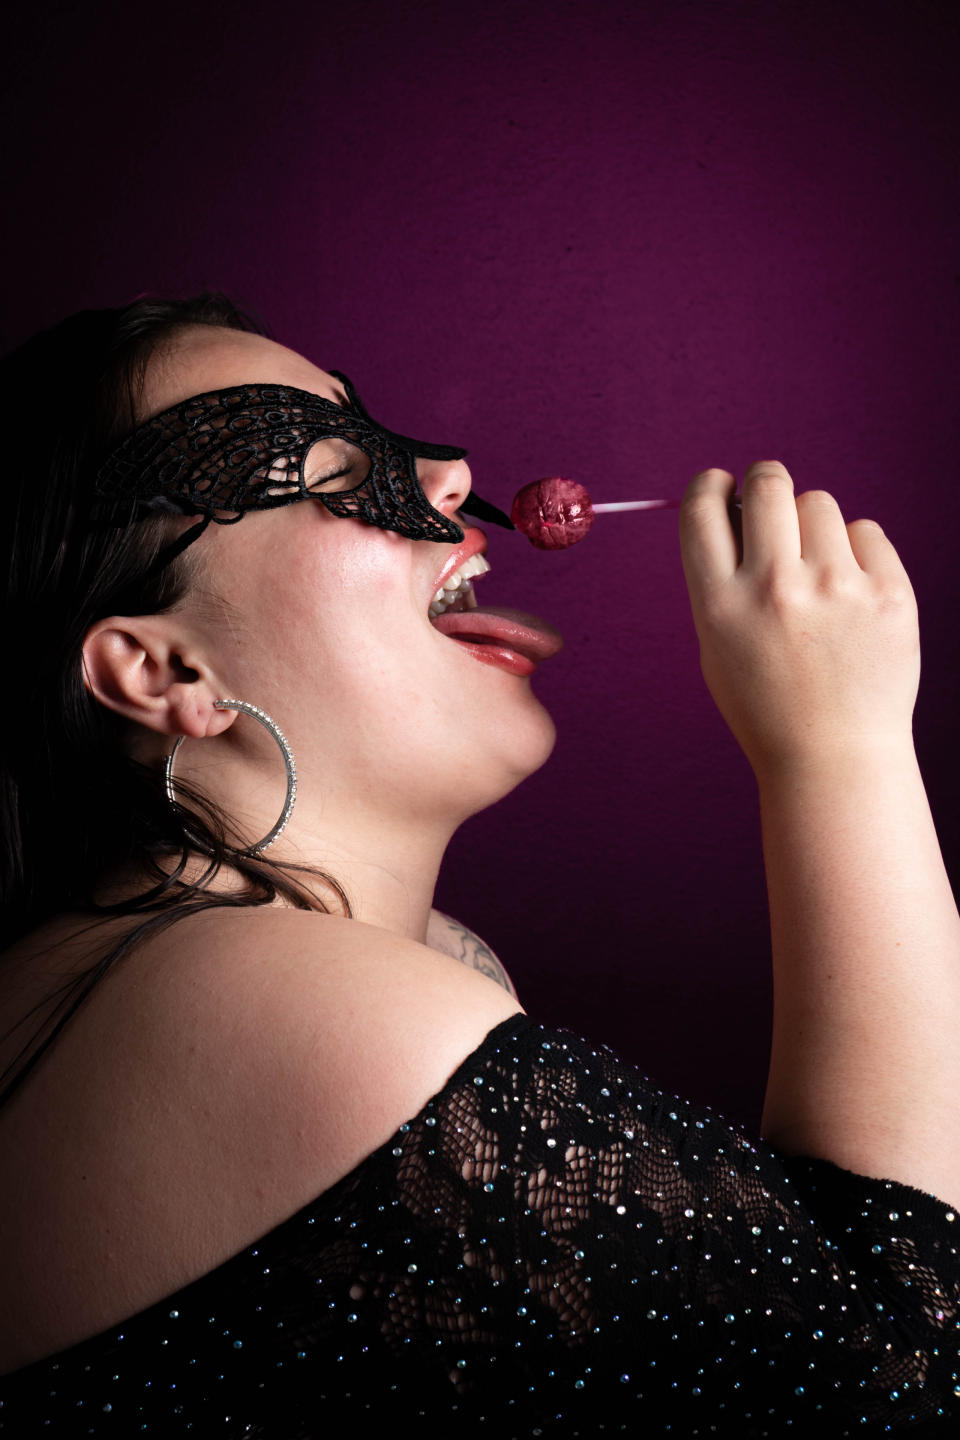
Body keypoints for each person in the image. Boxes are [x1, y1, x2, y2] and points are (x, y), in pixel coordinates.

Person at [0, 293, 956, 1439]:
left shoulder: (235, 975)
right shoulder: (286, 1010)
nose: (451, 474)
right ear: (162, 671)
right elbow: (910, 1374)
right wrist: (841, 749)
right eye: (334, 469)